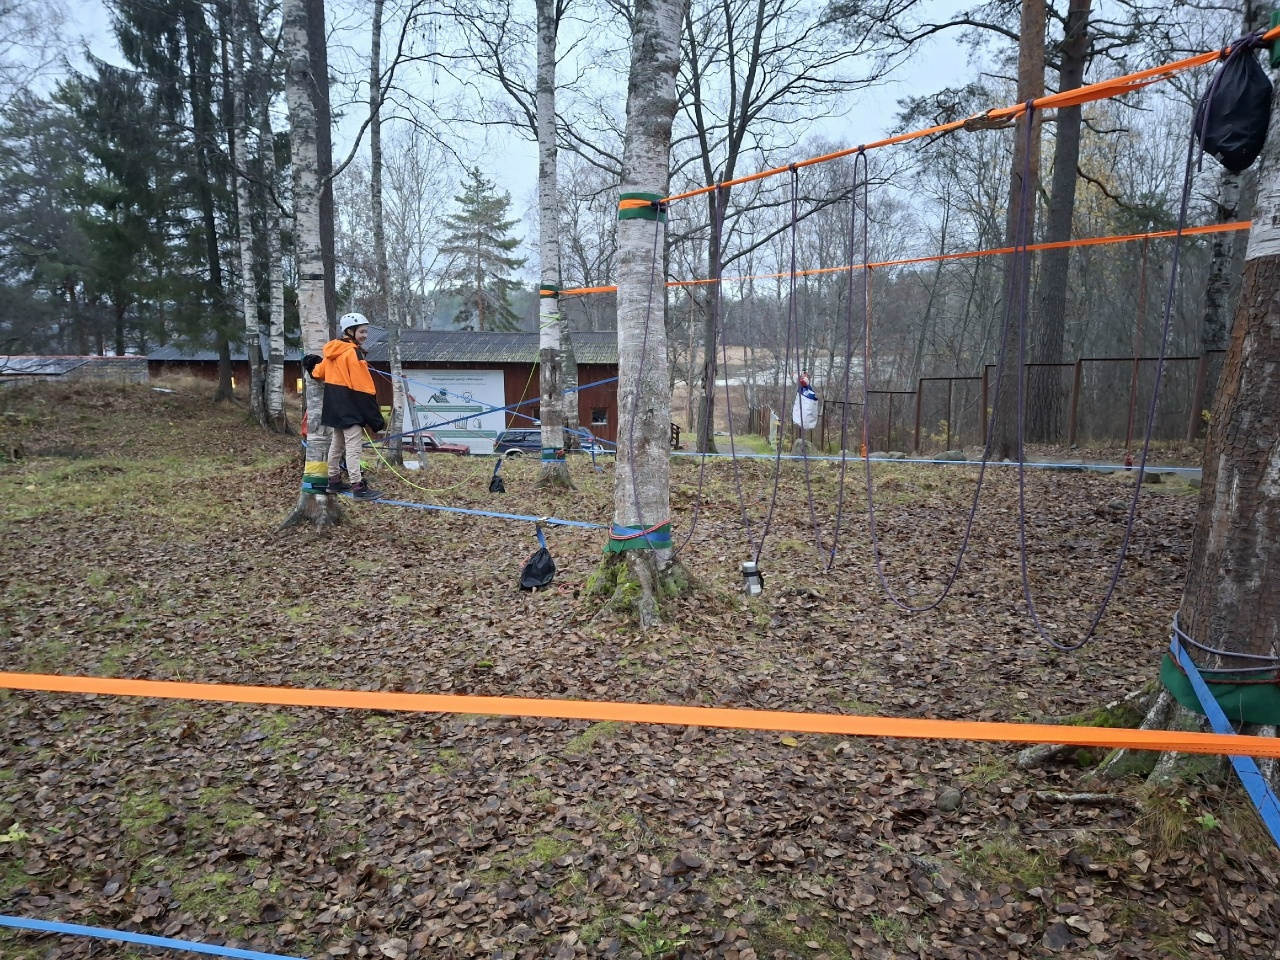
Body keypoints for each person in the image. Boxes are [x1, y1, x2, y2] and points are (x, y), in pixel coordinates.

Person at [302, 312, 386, 500]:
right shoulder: (353, 353)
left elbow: (317, 372)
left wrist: (310, 362)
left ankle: (333, 481)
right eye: (362, 332)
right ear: (350, 331)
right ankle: (358, 486)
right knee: (353, 447)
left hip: (334, 407)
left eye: (366, 332)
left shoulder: (334, 351)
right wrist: (374, 416)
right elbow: (364, 387)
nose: (365, 335)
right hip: (350, 407)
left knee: (337, 445)